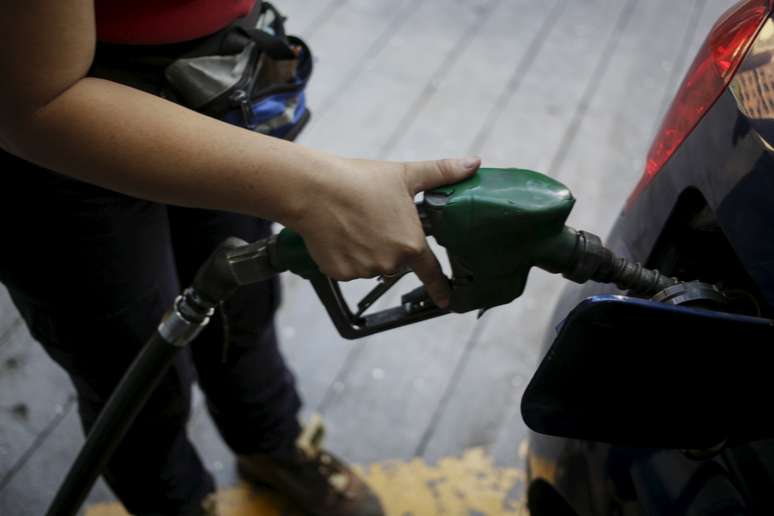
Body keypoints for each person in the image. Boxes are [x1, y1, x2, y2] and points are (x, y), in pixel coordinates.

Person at [0, 1, 480, 515]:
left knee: (242, 307)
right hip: (54, 141)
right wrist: (313, 189)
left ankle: (270, 443)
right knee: (136, 367)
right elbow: (31, 103)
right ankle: (175, 502)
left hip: (218, 73)